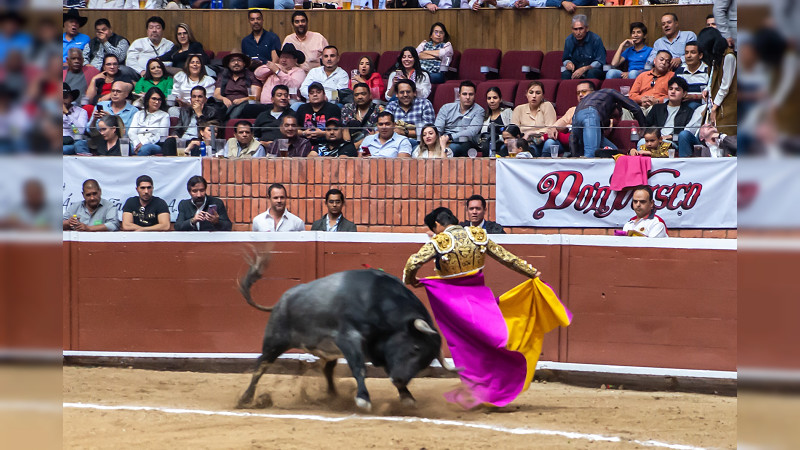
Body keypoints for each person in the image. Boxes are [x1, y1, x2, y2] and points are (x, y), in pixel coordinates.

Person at [403, 207, 565, 410]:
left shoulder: (441, 240)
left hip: (454, 303)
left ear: (437, 224)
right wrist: (532, 273)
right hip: (480, 299)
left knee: (467, 346)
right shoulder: (478, 235)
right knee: (491, 341)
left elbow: (412, 263)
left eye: (433, 228)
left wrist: (412, 281)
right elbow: (508, 258)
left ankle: (480, 388)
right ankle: (492, 386)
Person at [571, 88, 645, 158]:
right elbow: (636, 108)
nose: (612, 118)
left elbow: (573, 139)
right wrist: (643, 128)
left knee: (614, 152)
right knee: (591, 155)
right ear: (617, 105)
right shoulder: (611, 93)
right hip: (590, 115)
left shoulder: (599, 103)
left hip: (576, 117)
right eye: (614, 116)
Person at [697, 27, 736, 136]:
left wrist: (714, 108)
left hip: (726, 106)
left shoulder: (729, 57)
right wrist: (706, 89)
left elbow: (725, 86)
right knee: (711, 139)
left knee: (724, 139)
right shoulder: (715, 58)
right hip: (715, 103)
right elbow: (712, 80)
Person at [643, 76, 699, 153]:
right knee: (641, 142)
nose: (673, 92)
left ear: (684, 94)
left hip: (672, 142)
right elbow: (647, 126)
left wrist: (671, 137)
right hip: (654, 139)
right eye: (670, 89)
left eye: (677, 89)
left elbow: (687, 132)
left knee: (667, 146)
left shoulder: (688, 112)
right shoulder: (657, 108)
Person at [545, 80, 595, 157]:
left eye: (584, 92)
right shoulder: (573, 110)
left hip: (590, 144)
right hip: (569, 144)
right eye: (578, 93)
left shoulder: (599, 109)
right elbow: (560, 123)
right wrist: (553, 128)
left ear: (593, 93)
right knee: (549, 143)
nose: (580, 95)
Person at [435, 80, 484, 157]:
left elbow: (472, 132)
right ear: (459, 95)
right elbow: (438, 128)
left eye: (471, 94)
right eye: (464, 94)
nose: (468, 97)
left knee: (454, 148)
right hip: (442, 140)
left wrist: (450, 137)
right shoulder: (446, 108)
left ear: (475, 95)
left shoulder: (479, 110)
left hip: (463, 142)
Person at [511, 80, 557, 156]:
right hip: (523, 142)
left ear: (542, 96)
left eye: (538, 93)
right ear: (526, 94)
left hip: (543, 140)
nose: (534, 96)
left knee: (548, 144)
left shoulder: (547, 106)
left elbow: (550, 128)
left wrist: (531, 133)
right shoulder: (519, 109)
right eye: (531, 92)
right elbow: (514, 131)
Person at [385, 79, 435, 146]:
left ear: (414, 93)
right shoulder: (391, 105)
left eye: (408, 92)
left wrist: (404, 132)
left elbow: (429, 130)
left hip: (419, 143)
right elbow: (385, 126)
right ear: (396, 94)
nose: (405, 95)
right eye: (402, 92)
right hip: (395, 143)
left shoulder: (424, 104)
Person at [213, 51, 262, 120]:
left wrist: (242, 100)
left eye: (239, 60)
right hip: (226, 105)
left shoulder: (251, 76)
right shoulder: (223, 76)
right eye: (233, 61)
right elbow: (216, 95)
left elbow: (255, 97)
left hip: (244, 105)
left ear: (244, 63)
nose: (236, 63)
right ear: (228, 64)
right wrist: (224, 99)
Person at [296, 81, 341, 151]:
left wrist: (323, 133)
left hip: (327, 145)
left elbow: (340, 132)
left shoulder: (333, 108)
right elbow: (294, 130)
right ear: (308, 96)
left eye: (318, 92)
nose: (315, 95)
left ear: (324, 94)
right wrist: (304, 133)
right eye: (311, 93)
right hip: (304, 144)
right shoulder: (302, 108)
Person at [129, 87, 172, 156]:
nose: (157, 102)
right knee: (122, 147)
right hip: (136, 143)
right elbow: (132, 132)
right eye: (154, 99)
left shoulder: (164, 115)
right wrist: (137, 144)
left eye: (159, 99)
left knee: (145, 149)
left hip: (153, 144)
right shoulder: (138, 114)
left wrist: (143, 143)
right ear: (147, 99)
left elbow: (161, 136)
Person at [561, 15, 606, 81]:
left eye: (581, 29)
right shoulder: (569, 40)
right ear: (572, 29)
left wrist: (585, 68)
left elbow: (600, 61)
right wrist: (568, 63)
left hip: (592, 69)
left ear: (587, 28)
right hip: (576, 69)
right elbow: (565, 59)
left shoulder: (596, 39)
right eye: (575, 29)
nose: (578, 32)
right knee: (565, 74)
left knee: (592, 73)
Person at [341, 82, 383, 148]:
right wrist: (349, 148)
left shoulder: (379, 109)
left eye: (363, 94)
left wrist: (357, 145)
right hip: (350, 145)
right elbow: (345, 130)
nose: (360, 97)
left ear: (370, 95)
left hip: (373, 145)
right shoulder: (347, 108)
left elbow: (378, 133)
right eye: (356, 95)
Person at [673, 41, 709, 110]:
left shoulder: (708, 71)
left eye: (693, 52)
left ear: (700, 55)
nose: (689, 56)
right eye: (686, 53)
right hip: (681, 106)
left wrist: (693, 97)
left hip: (702, 107)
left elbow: (711, 95)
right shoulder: (679, 71)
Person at [63, 82, 89, 155]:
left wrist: (67, 114)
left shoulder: (81, 112)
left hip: (72, 142)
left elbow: (79, 131)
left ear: (71, 98)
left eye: (65, 97)